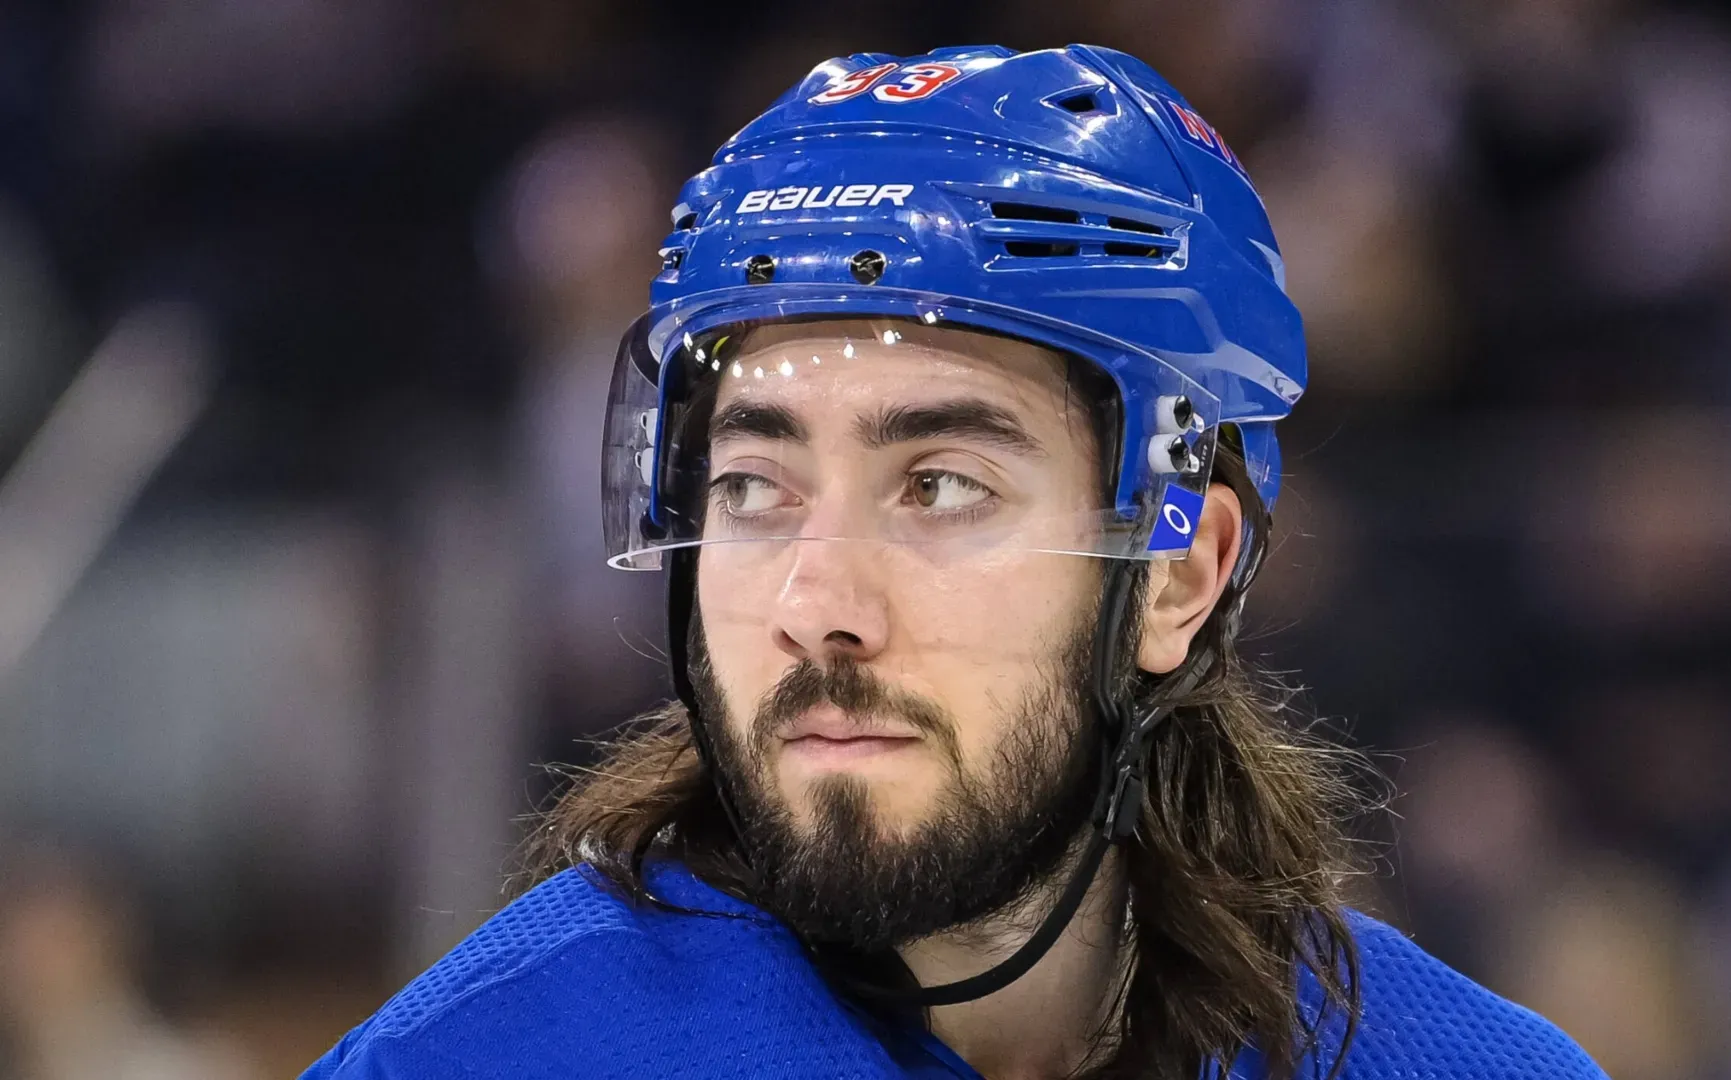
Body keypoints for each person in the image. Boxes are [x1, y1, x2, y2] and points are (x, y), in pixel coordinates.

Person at [304, 45, 1606, 1079]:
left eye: (939, 487)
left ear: (1178, 573)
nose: (819, 607)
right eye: (754, 488)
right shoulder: (489, 1059)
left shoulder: (1454, 1065)